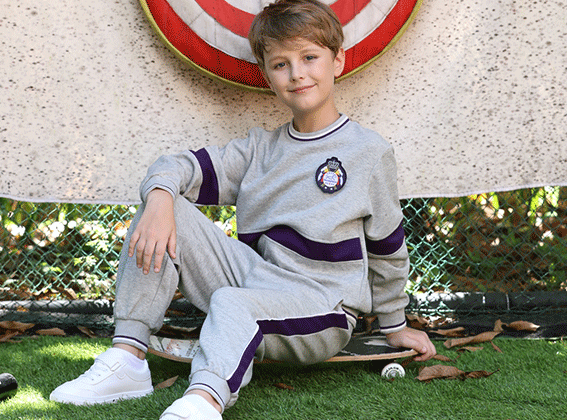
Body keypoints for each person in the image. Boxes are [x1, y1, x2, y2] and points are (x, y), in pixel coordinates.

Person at [50, 0, 436, 418]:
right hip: (256, 280)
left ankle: (204, 400)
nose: (297, 73)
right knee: (164, 203)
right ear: (268, 76)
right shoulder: (258, 150)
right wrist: (159, 198)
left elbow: (387, 247)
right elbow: (176, 166)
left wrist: (394, 324)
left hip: (323, 307)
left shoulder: (368, 152)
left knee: (233, 304)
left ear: (338, 60)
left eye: (310, 58)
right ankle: (128, 358)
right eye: (281, 64)